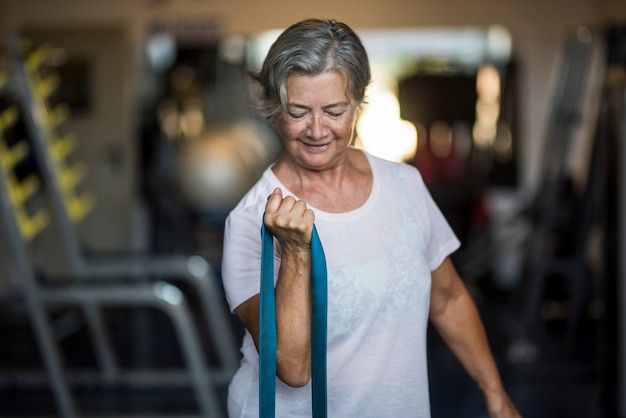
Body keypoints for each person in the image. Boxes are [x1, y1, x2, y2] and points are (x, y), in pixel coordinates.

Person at [221, 18, 521, 418]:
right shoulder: (250, 220)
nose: (316, 130)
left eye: (333, 110)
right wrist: (294, 253)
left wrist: (495, 393)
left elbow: (447, 299)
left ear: (358, 102)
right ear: (275, 109)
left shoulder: (404, 184)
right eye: (298, 111)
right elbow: (292, 368)